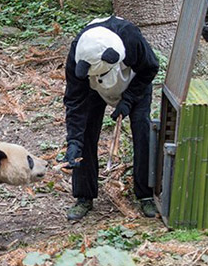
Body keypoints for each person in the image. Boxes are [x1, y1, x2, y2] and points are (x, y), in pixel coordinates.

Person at [60, 16, 159, 220]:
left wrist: (129, 100)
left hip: (133, 83)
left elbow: (150, 68)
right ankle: (84, 196)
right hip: (92, 90)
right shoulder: (77, 52)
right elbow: (74, 101)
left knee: (142, 129)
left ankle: (146, 194)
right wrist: (73, 141)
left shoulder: (131, 38)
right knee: (85, 134)